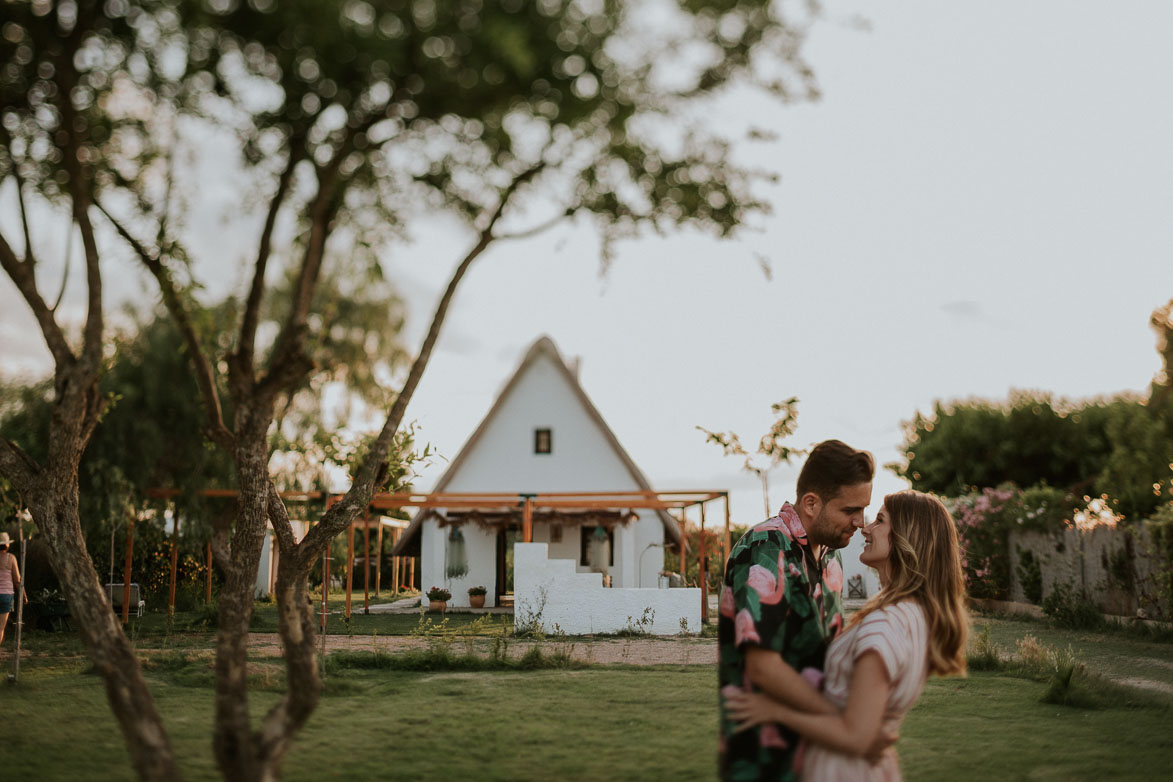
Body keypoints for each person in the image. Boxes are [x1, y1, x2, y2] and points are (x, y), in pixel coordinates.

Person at [725, 491, 969, 781]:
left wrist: (776, 711)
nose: (865, 527)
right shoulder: (913, 614)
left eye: (880, 521)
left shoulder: (884, 625)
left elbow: (856, 737)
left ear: (907, 537)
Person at [718, 439, 875, 781]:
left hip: (819, 754)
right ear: (811, 503)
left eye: (863, 510)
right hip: (765, 760)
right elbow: (762, 667)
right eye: (850, 510)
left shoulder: (831, 558)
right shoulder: (765, 546)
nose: (860, 522)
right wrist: (842, 717)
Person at [0, 531, 24, 647]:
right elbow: (17, 580)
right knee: (0, 628)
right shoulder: (11, 558)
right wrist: (23, 595)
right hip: (6, 595)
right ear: (7, 545)